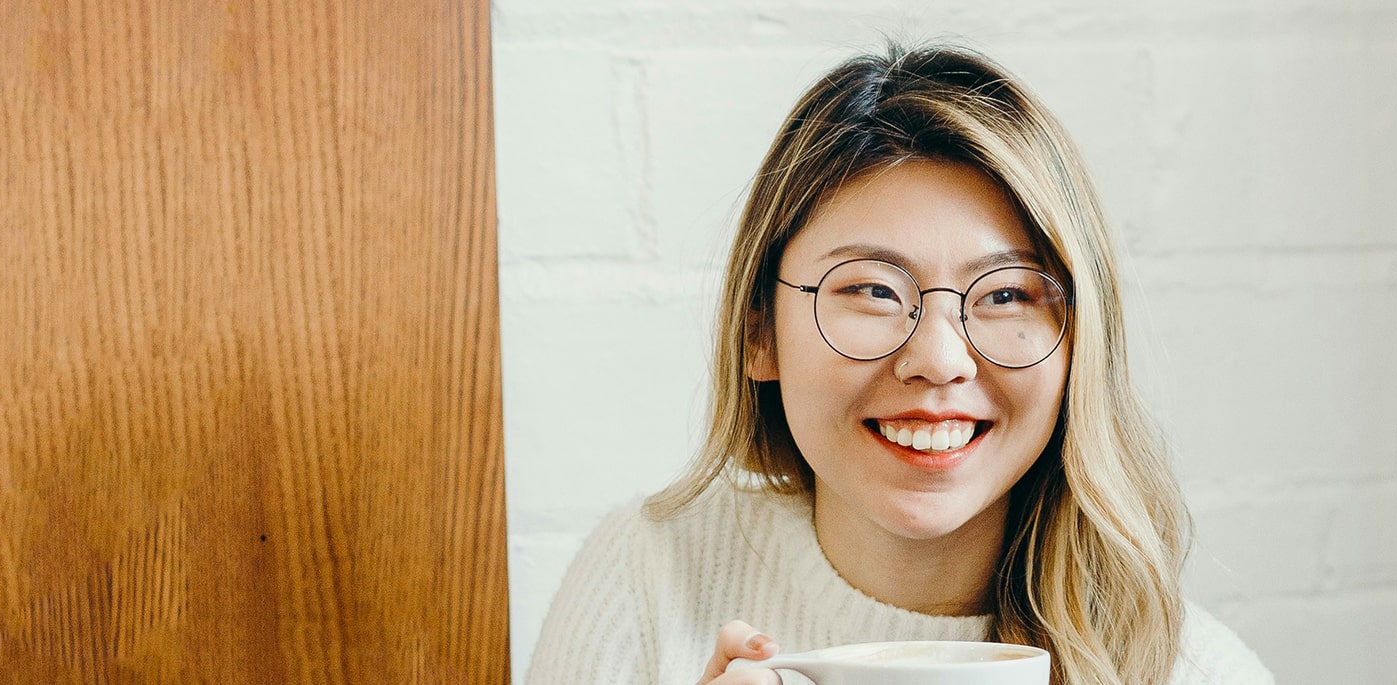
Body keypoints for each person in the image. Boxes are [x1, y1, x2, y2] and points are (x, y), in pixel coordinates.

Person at [528, 41, 1273, 685]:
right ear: (759, 330)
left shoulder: (1193, 670)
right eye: (875, 290)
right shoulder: (646, 576)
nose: (940, 359)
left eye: (1008, 293)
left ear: (1082, 343)